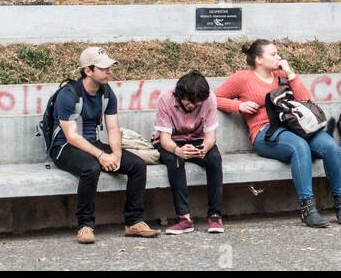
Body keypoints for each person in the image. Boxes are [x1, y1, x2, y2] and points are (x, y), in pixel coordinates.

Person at [215, 40, 341, 228]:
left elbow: (305, 99)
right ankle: (308, 208)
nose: (278, 57)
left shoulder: (282, 76)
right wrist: (238, 105)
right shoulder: (243, 78)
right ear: (258, 59)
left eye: (277, 53)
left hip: (296, 127)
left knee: (329, 146)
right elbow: (213, 97)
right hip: (265, 133)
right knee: (299, 147)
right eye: (273, 54)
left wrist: (290, 73)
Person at [50, 47, 160, 242]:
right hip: (64, 148)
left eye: (110, 67)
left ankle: (134, 222)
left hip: (92, 144)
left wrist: (116, 153)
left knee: (137, 165)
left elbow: (113, 128)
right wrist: (101, 156)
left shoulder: (107, 93)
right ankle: (85, 226)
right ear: (88, 71)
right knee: (91, 168)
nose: (109, 71)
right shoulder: (68, 94)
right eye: (103, 68)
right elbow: (71, 136)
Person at [152, 71, 223, 235]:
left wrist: (205, 147)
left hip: (198, 139)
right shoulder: (166, 98)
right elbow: (164, 139)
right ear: (180, 95)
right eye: (190, 102)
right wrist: (178, 150)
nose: (193, 105)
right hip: (171, 141)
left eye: (198, 103)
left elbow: (211, 136)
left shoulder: (209, 98)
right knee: (175, 161)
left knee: (214, 158)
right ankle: (184, 218)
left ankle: (215, 215)